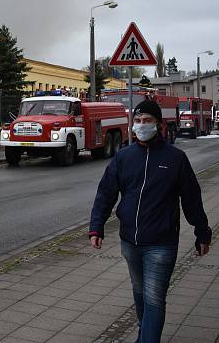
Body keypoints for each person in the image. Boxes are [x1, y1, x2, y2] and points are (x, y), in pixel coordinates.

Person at [89, 99, 211, 343]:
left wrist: (202, 232)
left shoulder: (175, 158)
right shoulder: (124, 157)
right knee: (140, 293)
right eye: (138, 121)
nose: (142, 125)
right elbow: (106, 193)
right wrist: (96, 227)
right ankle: (144, 333)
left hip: (161, 242)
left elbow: (191, 198)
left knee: (154, 298)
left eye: (148, 121)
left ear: (159, 124)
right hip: (130, 241)